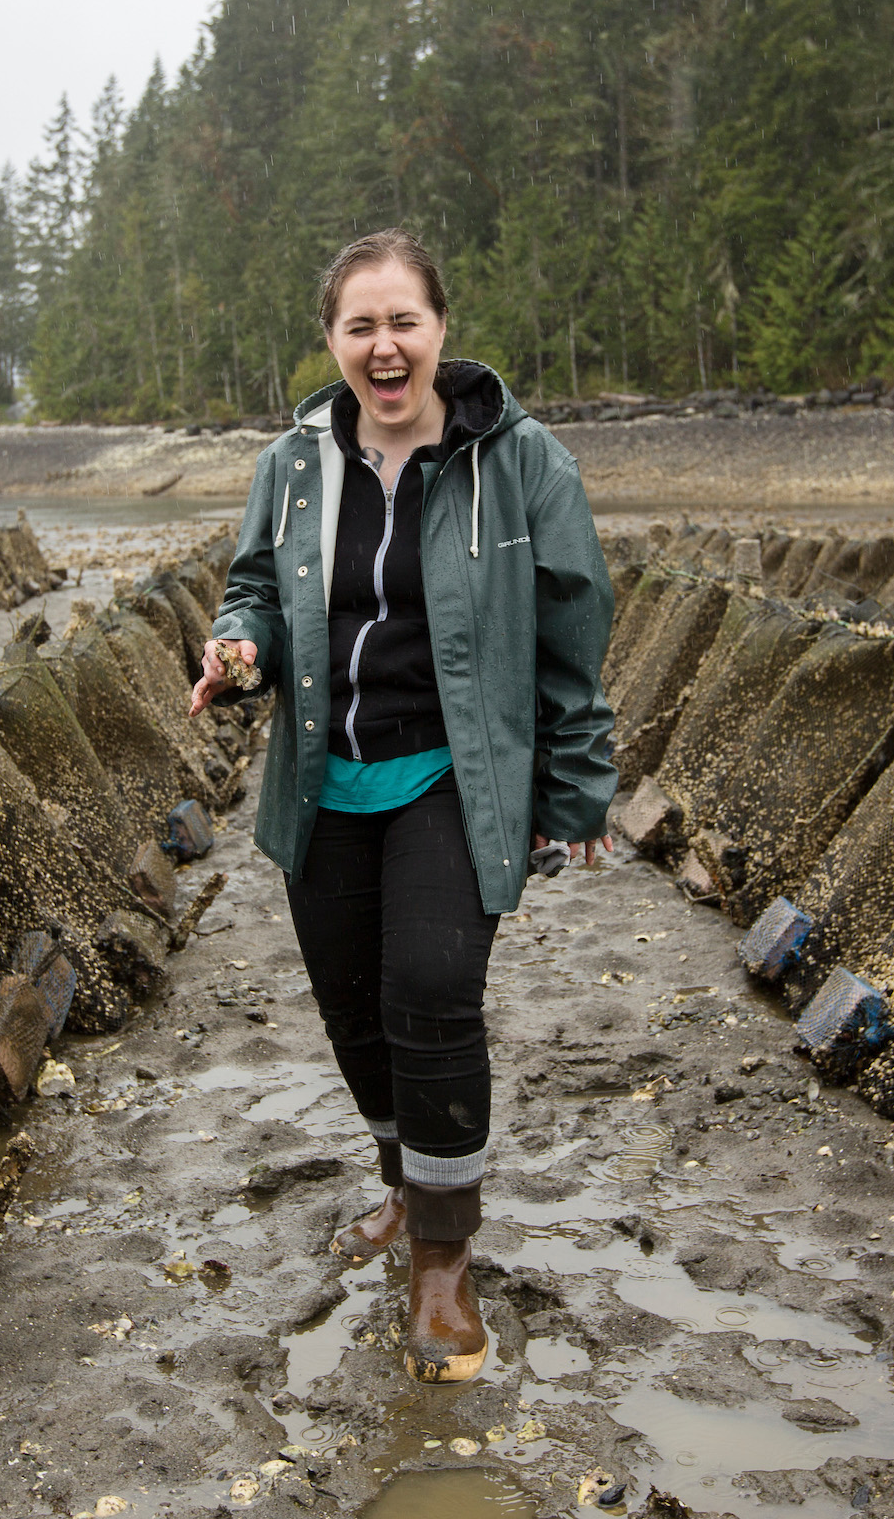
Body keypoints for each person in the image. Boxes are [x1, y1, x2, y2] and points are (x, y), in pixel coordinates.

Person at [188, 229, 617, 1384]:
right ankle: (399, 1180)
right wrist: (240, 646)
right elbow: (255, 589)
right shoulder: (291, 463)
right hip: (322, 779)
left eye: (404, 322)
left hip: (449, 772)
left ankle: (442, 1257)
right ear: (332, 342)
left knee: (430, 991)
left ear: (440, 331)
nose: (385, 346)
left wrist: (576, 787)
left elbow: (575, 629)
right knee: (351, 1010)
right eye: (360, 326)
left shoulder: (520, 463)